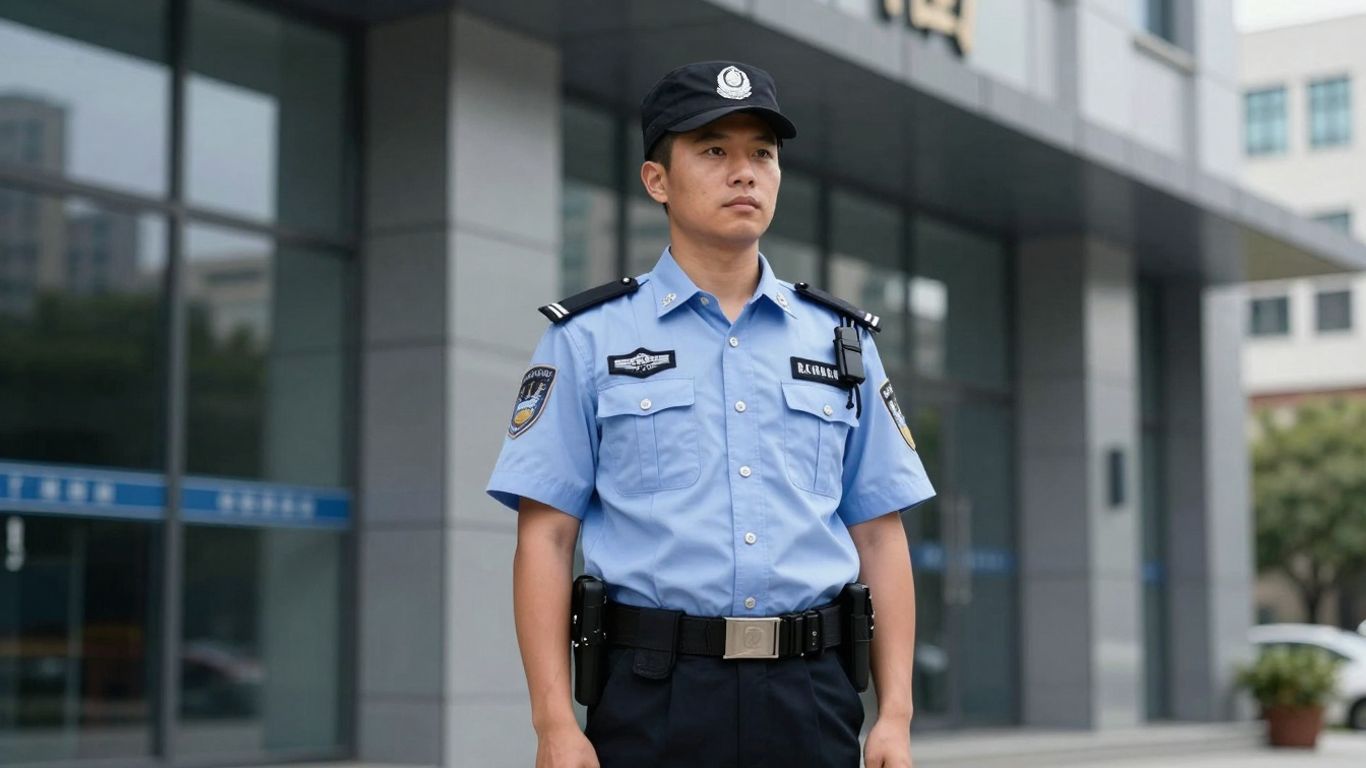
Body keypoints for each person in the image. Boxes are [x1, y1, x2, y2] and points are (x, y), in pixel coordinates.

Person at [486, 60, 935, 768]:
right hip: (653, 696)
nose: (745, 172)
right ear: (657, 180)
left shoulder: (840, 341)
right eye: (714, 150)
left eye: (763, 153)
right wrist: (553, 725)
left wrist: (897, 716)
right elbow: (545, 539)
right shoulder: (588, 338)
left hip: (811, 694)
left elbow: (881, 535)